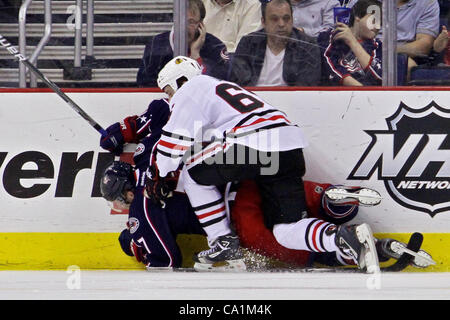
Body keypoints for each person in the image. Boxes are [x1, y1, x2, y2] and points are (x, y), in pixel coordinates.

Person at [146, 55, 381, 274]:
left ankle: (222, 241)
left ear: (182, 80)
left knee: (191, 172)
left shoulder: (191, 89)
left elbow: (172, 144)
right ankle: (344, 236)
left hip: (256, 144)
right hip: (288, 147)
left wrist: (157, 174)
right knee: (286, 230)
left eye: (168, 91)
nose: (169, 98)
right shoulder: (220, 88)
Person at [136, 0, 230, 87]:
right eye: (181, 20)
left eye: (191, 22)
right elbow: (144, 83)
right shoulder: (156, 44)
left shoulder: (215, 46)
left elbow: (220, 84)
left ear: (200, 24)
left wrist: (196, 56)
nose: (184, 27)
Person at [229, 0, 321, 87]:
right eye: (274, 19)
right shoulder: (248, 43)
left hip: (292, 101)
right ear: (263, 22)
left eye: (286, 19)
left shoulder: (307, 46)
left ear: (292, 20)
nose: (281, 24)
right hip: (254, 100)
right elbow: (240, 84)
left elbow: (306, 89)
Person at [347, 0, 440, 61]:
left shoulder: (428, 3)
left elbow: (423, 46)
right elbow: (346, 31)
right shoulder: (359, 1)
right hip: (358, 52)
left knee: (408, 65)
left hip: (401, 58)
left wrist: (380, 51)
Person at [318, 0, 383, 86]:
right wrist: (360, 89)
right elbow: (329, 68)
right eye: (373, 20)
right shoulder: (330, 36)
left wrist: (353, 42)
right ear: (358, 16)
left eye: (380, 23)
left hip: (368, 96)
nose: (378, 27)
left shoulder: (378, 46)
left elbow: (379, 77)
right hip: (333, 95)